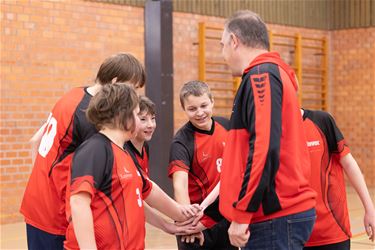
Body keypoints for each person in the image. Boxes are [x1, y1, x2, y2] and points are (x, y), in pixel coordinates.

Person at [20, 52, 146, 250]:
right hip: (55, 215)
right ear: (115, 82)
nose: (135, 97)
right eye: (133, 88)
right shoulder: (94, 118)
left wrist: (42, 182)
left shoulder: (73, 95)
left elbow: (34, 141)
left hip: (37, 202)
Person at [218, 10, 316, 249]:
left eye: (222, 45)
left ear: (234, 41)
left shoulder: (261, 75)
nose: (222, 54)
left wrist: (242, 213)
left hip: (274, 217)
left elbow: (264, 148)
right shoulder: (268, 73)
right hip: (276, 218)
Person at [65, 83, 200, 250]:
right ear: (123, 115)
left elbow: (144, 193)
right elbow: (78, 202)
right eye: (138, 115)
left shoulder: (125, 153)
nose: (142, 121)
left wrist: (175, 221)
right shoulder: (95, 149)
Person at [168, 80, 236, 250]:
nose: (200, 113)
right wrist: (188, 224)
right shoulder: (181, 142)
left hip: (224, 217)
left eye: (204, 105)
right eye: (192, 109)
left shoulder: (227, 127)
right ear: (184, 110)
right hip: (196, 222)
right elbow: (180, 184)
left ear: (212, 102)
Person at [302, 109, 375, 249]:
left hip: (334, 231)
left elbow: (348, 163)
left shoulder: (321, 120)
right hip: (296, 233)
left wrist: (369, 209)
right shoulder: (275, 131)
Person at [124, 95, 156, 178]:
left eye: (152, 118)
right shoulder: (124, 151)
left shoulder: (145, 146)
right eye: (143, 119)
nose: (150, 125)